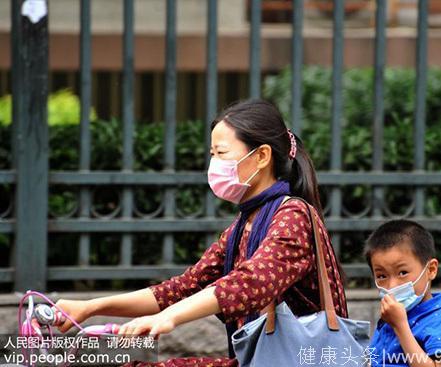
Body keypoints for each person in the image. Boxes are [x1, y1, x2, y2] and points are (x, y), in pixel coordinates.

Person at [55, 99, 348, 367]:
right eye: (212, 154)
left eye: (222, 153)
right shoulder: (243, 225)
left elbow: (251, 282)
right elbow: (182, 287)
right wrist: (90, 307)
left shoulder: (293, 216)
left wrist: (167, 318)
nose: (214, 164)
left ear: (261, 157)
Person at [364, 219, 441, 367]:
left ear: (430, 270)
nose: (392, 286)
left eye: (402, 272)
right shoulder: (389, 318)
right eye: (382, 276)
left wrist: (400, 326)